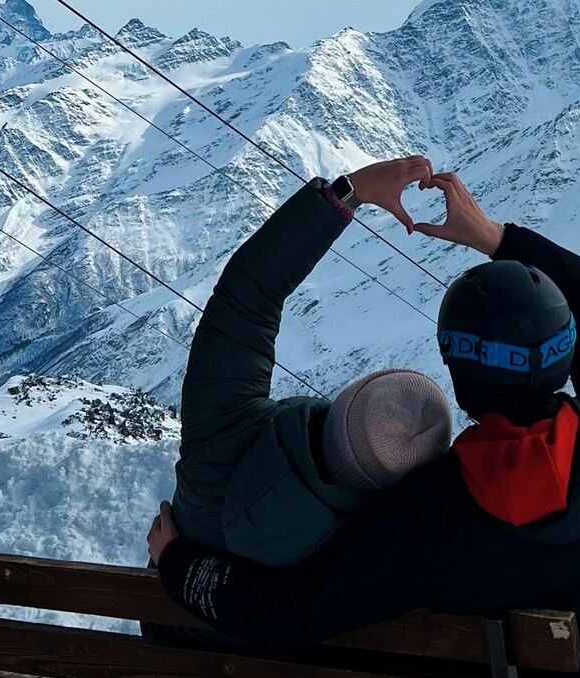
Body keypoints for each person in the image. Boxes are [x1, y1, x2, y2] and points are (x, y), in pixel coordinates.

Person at [148, 168, 580, 678]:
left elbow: (293, 609)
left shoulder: (430, 515)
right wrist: (495, 237)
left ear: (461, 375)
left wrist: (179, 562)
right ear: (567, 351)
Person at [163, 155, 452, 572]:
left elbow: (249, 293)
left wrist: (350, 192)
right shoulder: (367, 561)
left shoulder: (224, 428)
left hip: (165, 624)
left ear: (345, 401)